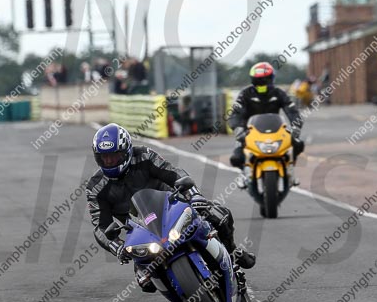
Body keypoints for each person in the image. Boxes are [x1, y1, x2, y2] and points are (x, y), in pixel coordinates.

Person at [86, 123, 255, 293]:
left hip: (172, 206)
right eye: (104, 157)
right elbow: (100, 226)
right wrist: (117, 247)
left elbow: (173, 172)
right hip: (141, 230)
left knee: (220, 215)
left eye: (114, 156)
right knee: (146, 282)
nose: (109, 161)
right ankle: (179, 293)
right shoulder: (95, 187)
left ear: (127, 150)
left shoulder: (144, 155)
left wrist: (194, 195)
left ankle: (233, 255)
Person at [227, 62, 304, 181]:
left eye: (266, 80)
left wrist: (296, 126)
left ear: (271, 79)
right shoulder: (245, 94)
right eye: (259, 80)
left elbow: (292, 110)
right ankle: (244, 172)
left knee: (298, 144)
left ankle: (290, 168)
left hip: (276, 130)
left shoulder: (279, 93)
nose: (263, 83)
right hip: (249, 132)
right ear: (253, 80)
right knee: (236, 158)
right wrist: (237, 128)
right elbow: (235, 113)